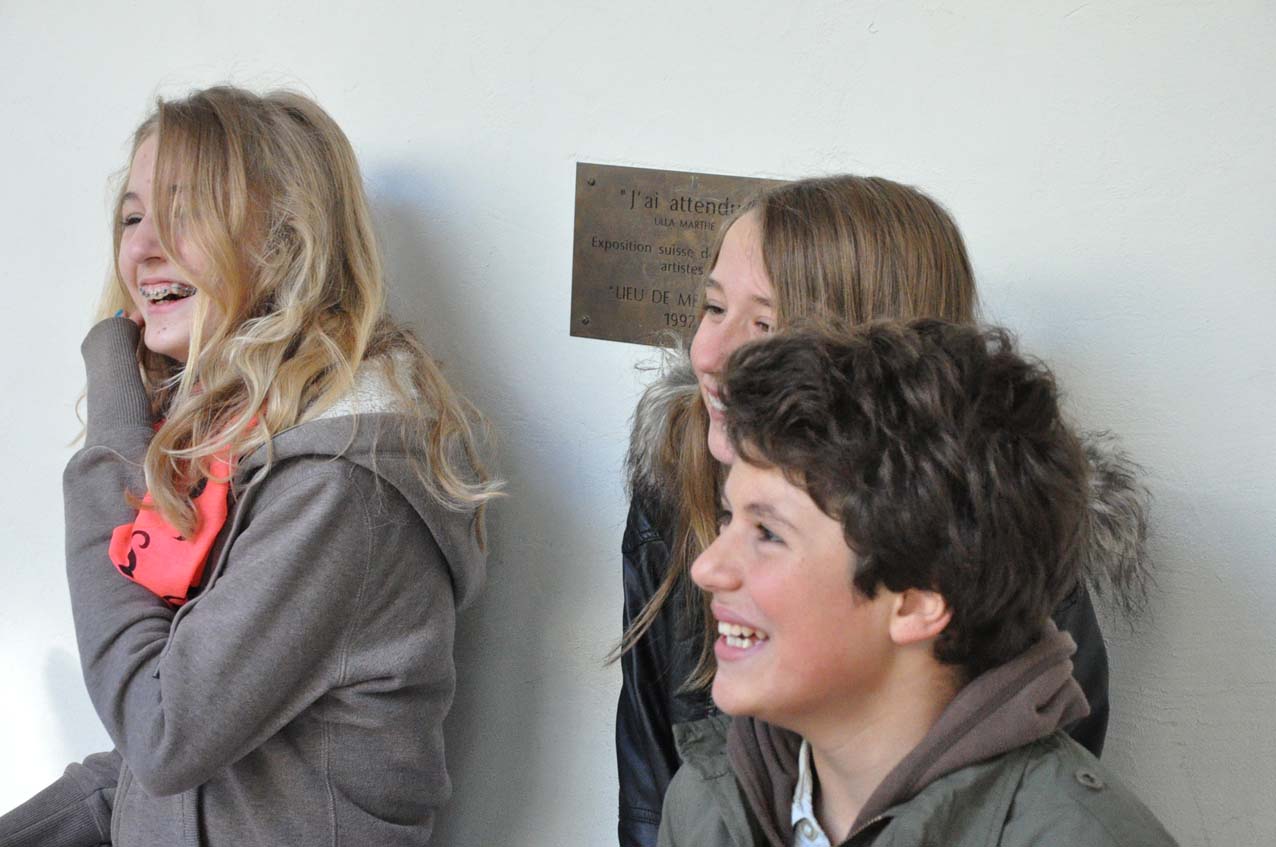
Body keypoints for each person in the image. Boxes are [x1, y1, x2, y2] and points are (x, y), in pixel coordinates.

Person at [0, 86, 499, 846]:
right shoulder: (233, 445)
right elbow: (155, 779)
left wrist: (113, 435)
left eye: (186, 212)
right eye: (132, 218)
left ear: (287, 239)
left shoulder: (340, 485)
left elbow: (163, 733)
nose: (142, 249)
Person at [616, 176, 1149, 846]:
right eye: (712, 306)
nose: (707, 353)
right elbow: (656, 787)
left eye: (765, 324)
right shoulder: (675, 485)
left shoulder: (1007, 564)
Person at [657, 320, 1176, 846]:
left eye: (768, 534)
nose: (707, 568)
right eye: (728, 518)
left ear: (917, 601)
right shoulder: (706, 806)